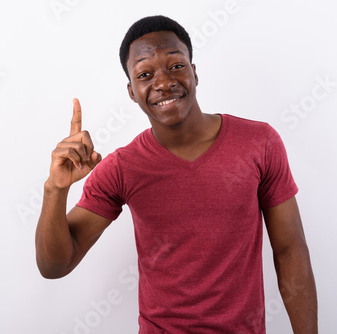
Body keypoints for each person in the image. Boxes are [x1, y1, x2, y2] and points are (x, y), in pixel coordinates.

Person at [35, 15, 317, 333]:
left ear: (194, 72)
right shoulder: (121, 168)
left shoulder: (260, 142)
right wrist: (54, 190)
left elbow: (290, 249)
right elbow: (55, 265)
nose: (164, 82)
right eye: (145, 73)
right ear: (132, 90)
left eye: (176, 65)